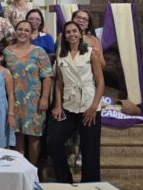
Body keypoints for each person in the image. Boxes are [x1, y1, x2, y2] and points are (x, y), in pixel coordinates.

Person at [49, 21, 105, 183]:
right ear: (64, 36)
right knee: (54, 140)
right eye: (68, 32)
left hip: (89, 104)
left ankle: (90, 183)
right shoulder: (61, 54)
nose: (72, 34)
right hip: (68, 105)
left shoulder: (90, 53)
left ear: (80, 34)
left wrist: (94, 107)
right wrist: (58, 105)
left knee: (90, 150)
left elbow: (100, 83)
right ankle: (64, 180)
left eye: (75, 31)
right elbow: (59, 82)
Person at [5, 20, 53, 166]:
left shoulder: (39, 51)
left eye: (26, 30)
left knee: (34, 136)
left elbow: (47, 76)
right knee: (17, 134)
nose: (23, 33)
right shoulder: (7, 52)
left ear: (31, 33)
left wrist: (45, 98)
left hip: (34, 100)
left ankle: (33, 169)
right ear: (15, 31)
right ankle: (21, 169)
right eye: (20, 29)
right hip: (13, 100)